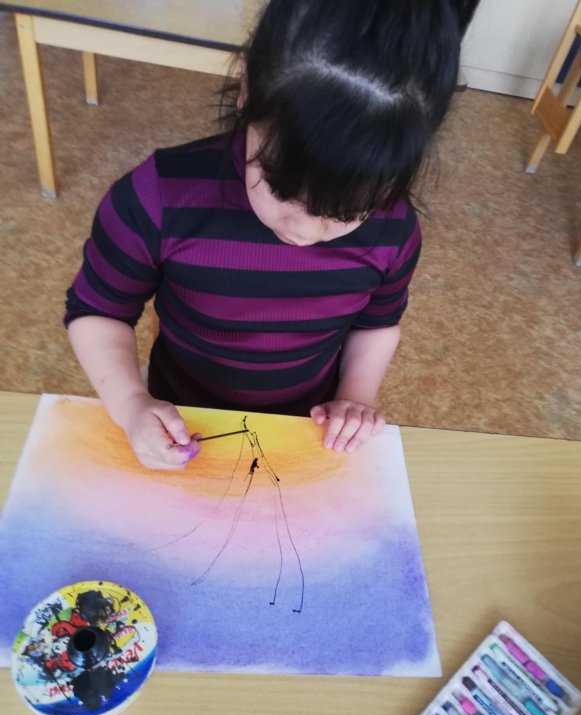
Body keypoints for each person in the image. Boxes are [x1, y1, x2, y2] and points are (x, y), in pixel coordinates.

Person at [65, 0, 479, 470]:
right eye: (282, 190)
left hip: (303, 432)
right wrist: (130, 403)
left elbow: (377, 325)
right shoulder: (157, 196)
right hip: (183, 420)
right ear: (247, 87)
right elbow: (97, 311)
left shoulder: (395, 231)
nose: (303, 232)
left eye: (346, 212)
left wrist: (354, 396)